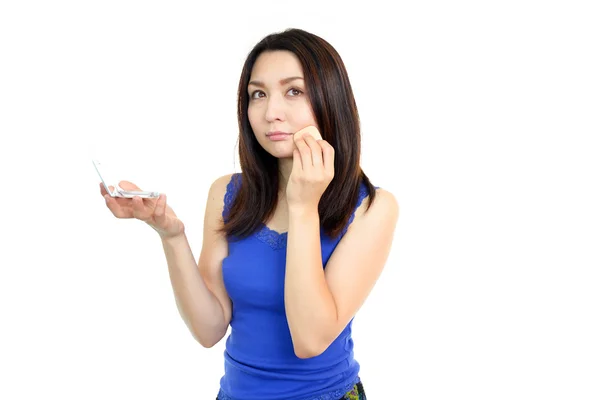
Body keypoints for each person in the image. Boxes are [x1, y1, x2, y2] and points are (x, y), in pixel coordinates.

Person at [100, 28, 399, 400]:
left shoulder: (371, 207)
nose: (271, 113)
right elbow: (209, 330)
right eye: (258, 94)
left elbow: (310, 340)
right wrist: (171, 236)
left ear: (330, 98)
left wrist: (303, 206)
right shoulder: (227, 193)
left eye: (294, 91)